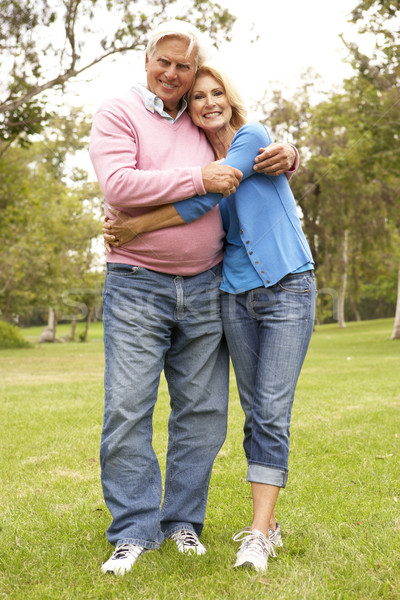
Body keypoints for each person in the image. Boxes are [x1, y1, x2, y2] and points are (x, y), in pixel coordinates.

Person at [90, 19, 297, 576]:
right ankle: (133, 530)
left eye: (186, 66)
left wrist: (289, 151)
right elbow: (120, 186)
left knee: (203, 414)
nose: (175, 74)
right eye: (166, 62)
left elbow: (245, 155)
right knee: (129, 408)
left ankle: (182, 523)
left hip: (208, 286)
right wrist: (199, 178)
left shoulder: (204, 124)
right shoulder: (119, 113)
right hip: (137, 284)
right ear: (148, 59)